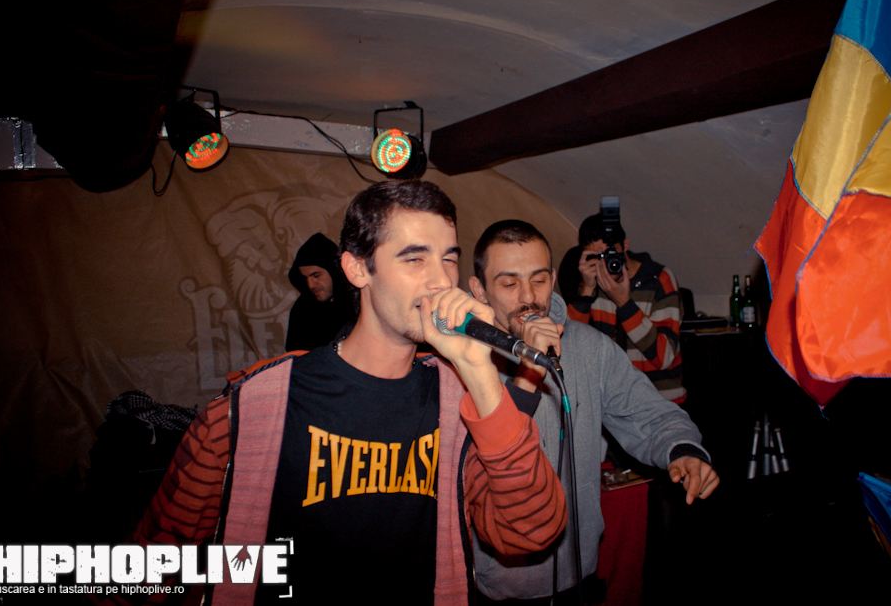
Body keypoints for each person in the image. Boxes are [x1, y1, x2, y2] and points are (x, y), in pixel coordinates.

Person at [118, 183, 566, 606]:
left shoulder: (457, 403)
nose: (440, 281)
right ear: (356, 268)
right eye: (415, 258)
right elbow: (152, 558)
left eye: (448, 258)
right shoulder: (254, 405)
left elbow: (531, 530)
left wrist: (479, 372)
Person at [467, 219, 718, 603]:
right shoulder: (464, 361)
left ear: (553, 278)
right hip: (501, 585)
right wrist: (526, 375)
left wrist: (682, 449)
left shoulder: (590, 347)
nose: (528, 297)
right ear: (479, 290)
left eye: (539, 279)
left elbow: (649, 413)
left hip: (579, 575)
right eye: (509, 283)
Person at [568, 212, 686, 403]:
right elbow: (570, 346)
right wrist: (587, 289)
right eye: (597, 256)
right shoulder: (591, 284)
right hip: (613, 403)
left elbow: (665, 357)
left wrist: (624, 304)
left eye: (610, 254)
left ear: (625, 245)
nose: (604, 263)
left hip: (660, 401)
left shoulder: (659, 280)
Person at [285, 232, 354, 351]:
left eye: (316, 275)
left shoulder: (358, 303)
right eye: (305, 278)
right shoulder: (303, 308)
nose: (311, 285)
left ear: (334, 271)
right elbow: (295, 353)